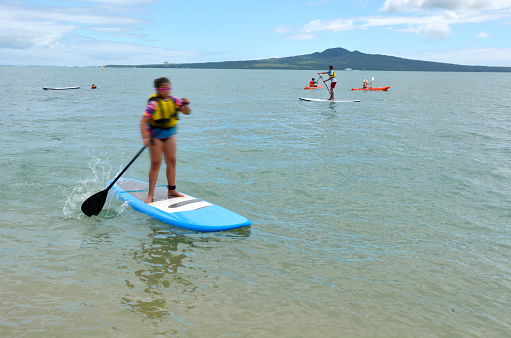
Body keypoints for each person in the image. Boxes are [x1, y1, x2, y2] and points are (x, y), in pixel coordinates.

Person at [140, 77, 191, 203]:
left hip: (169, 135)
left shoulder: (174, 101)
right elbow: (143, 122)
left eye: (168, 88)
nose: (166, 90)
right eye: (163, 88)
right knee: (156, 163)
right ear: (158, 89)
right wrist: (145, 137)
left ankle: (172, 190)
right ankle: (150, 195)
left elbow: (187, 112)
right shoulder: (153, 104)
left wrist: (186, 105)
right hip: (155, 137)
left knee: (172, 161)